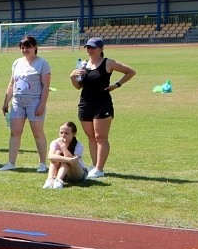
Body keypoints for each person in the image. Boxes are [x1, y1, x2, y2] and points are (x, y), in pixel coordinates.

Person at [71, 36, 136, 179]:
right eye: (88, 47)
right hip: (85, 104)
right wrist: (72, 77)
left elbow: (130, 71)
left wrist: (116, 85)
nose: (90, 50)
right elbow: (78, 86)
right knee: (91, 137)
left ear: (101, 49)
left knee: (100, 137)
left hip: (102, 103)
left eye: (93, 47)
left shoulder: (108, 63)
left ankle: (100, 168)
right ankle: (94, 166)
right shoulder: (83, 65)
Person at [0, 35, 51, 173]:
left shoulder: (42, 63)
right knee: (15, 132)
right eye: (22, 47)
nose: (25, 49)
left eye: (28, 47)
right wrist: (6, 101)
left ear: (35, 47)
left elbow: (46, 86)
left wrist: (42, 104)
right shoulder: (17, 63)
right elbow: (12, 83)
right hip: (17, 102)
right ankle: (11, 162)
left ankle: (42, 163)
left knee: (38, 133)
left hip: (34, 101)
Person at [43, 121, 89, 189]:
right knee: (57, 153)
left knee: (66, 158)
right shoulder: (55, 142)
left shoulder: (78, 145)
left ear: (74, 134)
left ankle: (58, 180)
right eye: (61, 133)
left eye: (66, 133)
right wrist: (68, 159)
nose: (63, 135)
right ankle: (50, 179)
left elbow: (74, 162)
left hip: (78, 174)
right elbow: (50, 157)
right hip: (65, 174)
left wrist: (63, 146)